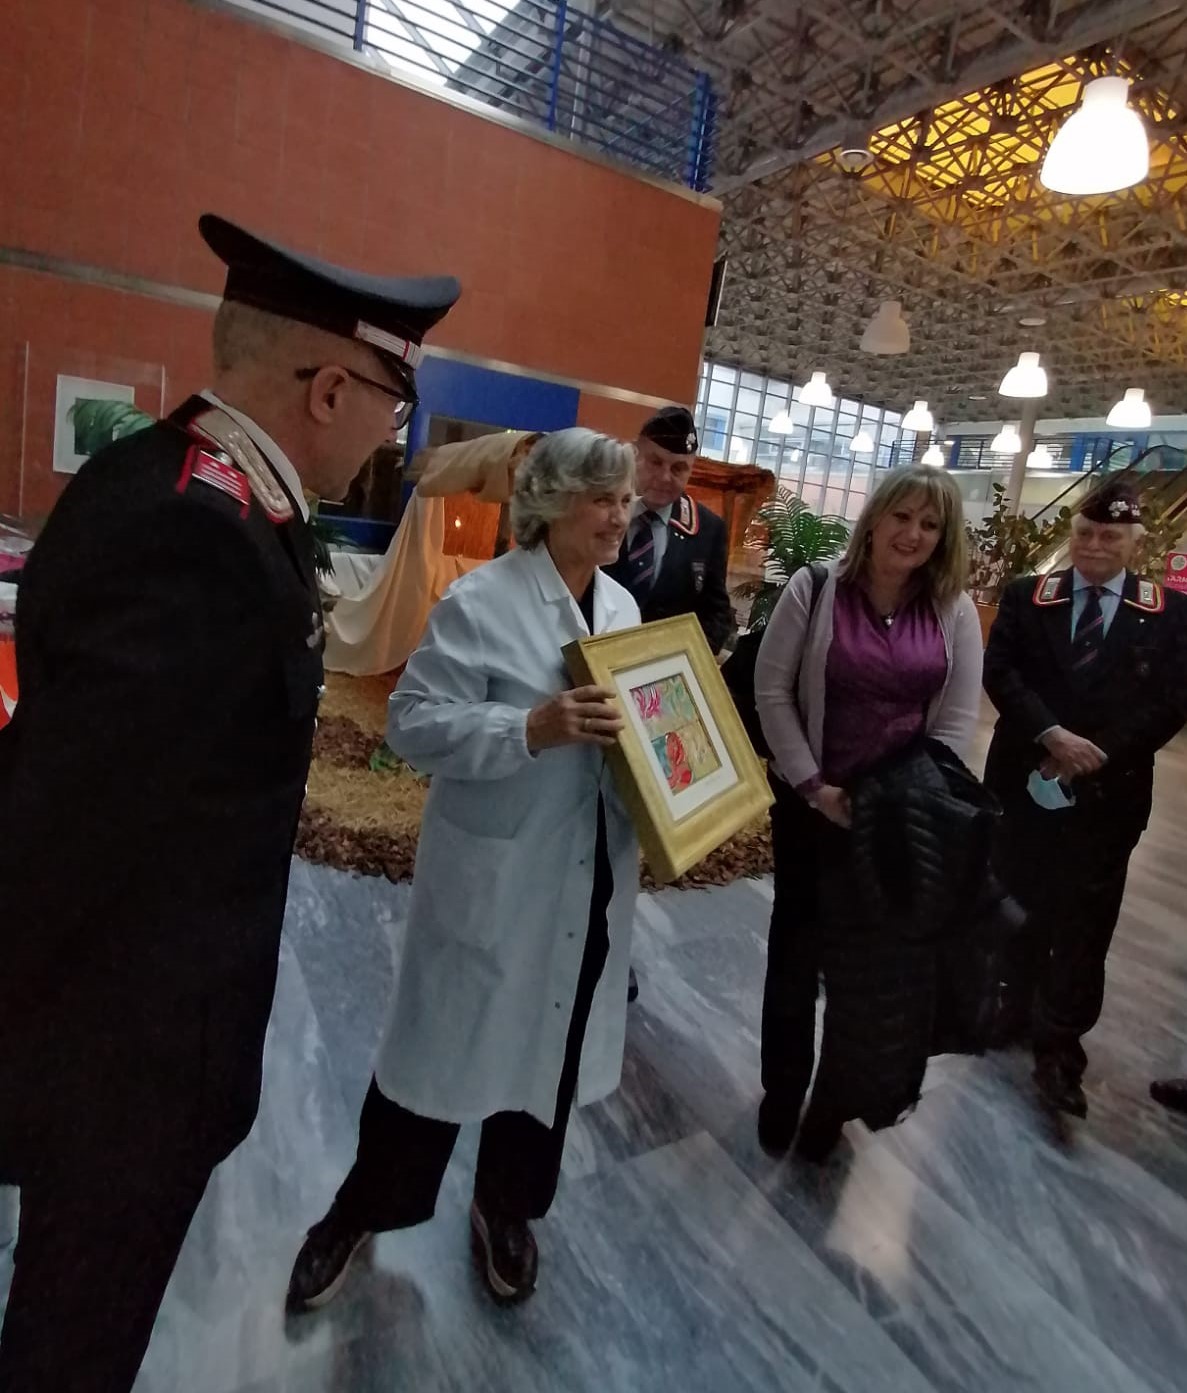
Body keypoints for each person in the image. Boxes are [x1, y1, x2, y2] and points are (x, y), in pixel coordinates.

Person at [0, 215, 459, 1392]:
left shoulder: (185, 485)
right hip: (123, 1068)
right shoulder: (199, 534)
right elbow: (78, 828)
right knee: (74, 1341)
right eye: (389, 402)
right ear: (327, 389)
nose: (389, 432)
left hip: (122, 1047)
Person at [286, 428, 641, 1311]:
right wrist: (527, 728)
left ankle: (506, 1206)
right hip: (499, 875)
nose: (619, 515)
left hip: (587, 872)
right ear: (551, 501)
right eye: (602, 498)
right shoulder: (483, 602)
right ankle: (359, 1209)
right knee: (437, 1057)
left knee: (546, 1055)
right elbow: (411, 723)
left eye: (625, 499)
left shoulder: (625, 610)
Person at [753, 466, 982, 1158]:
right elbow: (772, 692)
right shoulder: (815, 587)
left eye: (930, 524)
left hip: (897, 825)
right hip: (811, 807)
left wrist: (910, 801)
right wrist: (814, 786)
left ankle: (834, 1104)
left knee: (871, 975)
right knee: (795, 960)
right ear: (875, 518)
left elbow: (955, 720)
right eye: (902, 517)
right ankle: (782, 1090)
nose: (912, 534)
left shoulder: (952, 609)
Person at [983, 477, 1187, 1118]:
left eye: (1109, 536)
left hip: (1109, 796)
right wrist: (1051, 735)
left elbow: (1173, 700)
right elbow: (1001, 672)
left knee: (1085, 923)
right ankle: (1010, 1009)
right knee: (1017, 898)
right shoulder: (1027, 596)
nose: (1095, 545)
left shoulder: (1168, 613)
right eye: (1084, 533)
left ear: (1134, 542)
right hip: (1025, 779)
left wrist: (1095, 753)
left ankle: (1060, 1050)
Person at [604, 404, 732, 1000]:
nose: (665, 478)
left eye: (679, 469)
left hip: (655, 704)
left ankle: (611, 951)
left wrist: (685, 656)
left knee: (628, 831)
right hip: (587, 688)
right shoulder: (602, 508)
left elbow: (716, 611)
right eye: (655, 462)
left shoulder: (706, 530)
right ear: (635, 453)